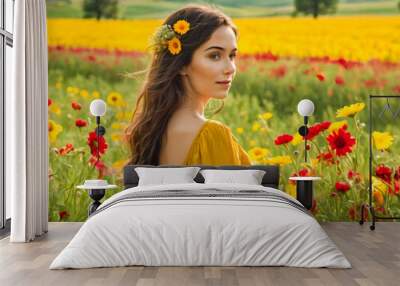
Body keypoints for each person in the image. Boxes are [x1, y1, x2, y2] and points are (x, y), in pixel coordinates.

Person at [125, 4, 251, 166]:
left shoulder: (152, 131)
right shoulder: (211, 135)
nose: (230, 68)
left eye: (232, 55)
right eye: (214, 56)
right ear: (182, 64)